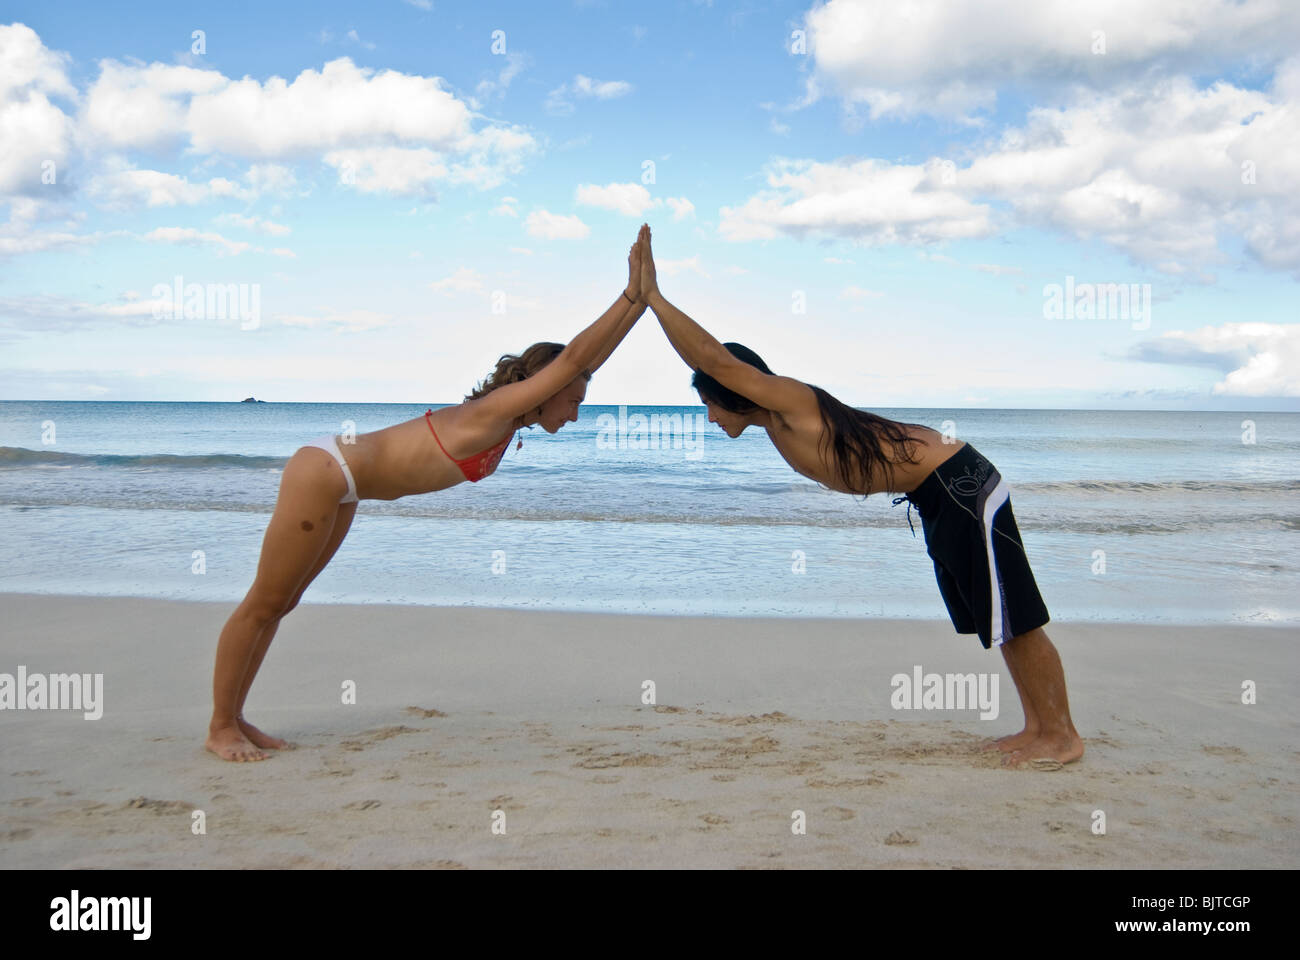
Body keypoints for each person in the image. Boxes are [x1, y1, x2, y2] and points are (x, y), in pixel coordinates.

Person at [636, 226, 1083, 766]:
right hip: (936, 495)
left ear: (733, 391)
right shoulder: (776, 425)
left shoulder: (787, 401)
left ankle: (1062, 736)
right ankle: (1039, 727)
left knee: (1017, 615)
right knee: (998, 617)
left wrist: (654, 299)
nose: (708, 415)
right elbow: (717, 367)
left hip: (960, 483)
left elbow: (715, 358)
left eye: (709, 403)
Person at [206, 234, 650, 761]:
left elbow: (583, 361)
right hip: (325, 473)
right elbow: (577, 354)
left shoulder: (506, 422)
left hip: (345, 486)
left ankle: (234, 717)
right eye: (573, 399)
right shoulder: (498, 411)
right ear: (543, 387)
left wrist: (642, 305)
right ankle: (219, 727)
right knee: (264, 602)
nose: (575, 413)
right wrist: (630, 297)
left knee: (283, 602)